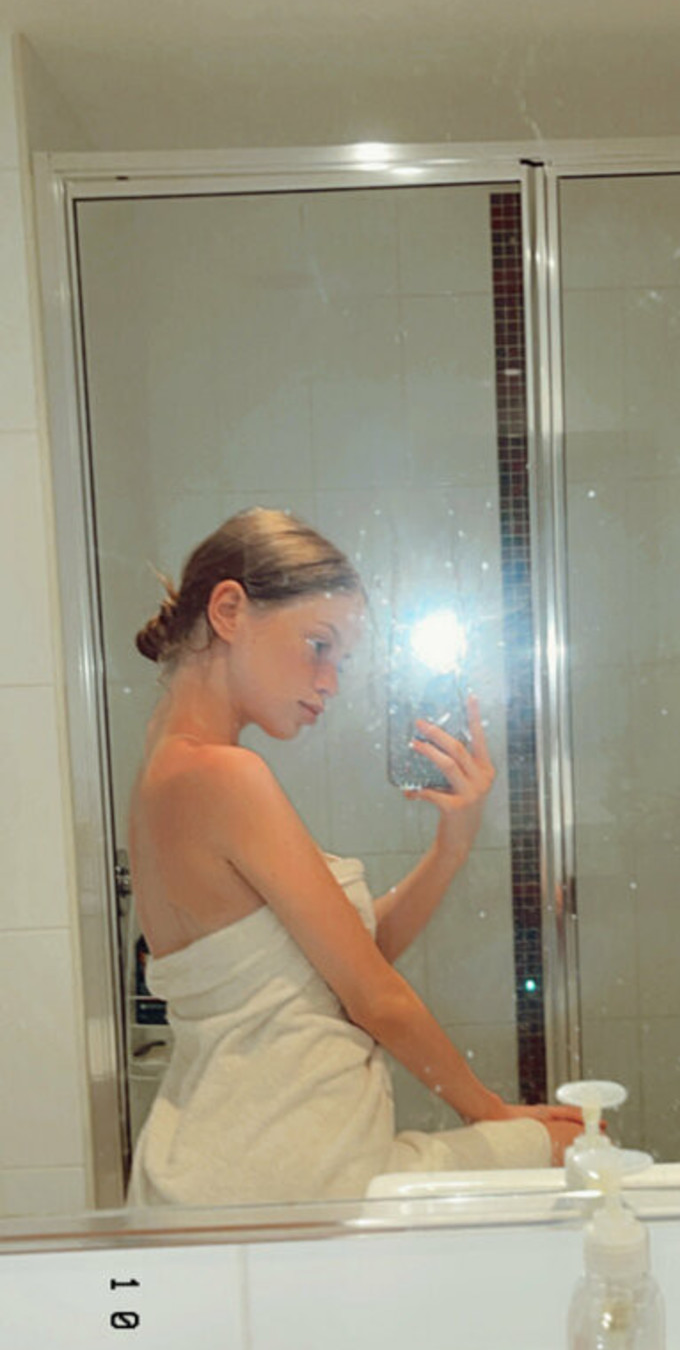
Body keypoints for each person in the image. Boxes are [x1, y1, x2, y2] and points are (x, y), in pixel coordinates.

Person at [125, 507, 583, 1206]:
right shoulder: (222, 776)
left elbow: (340, 968)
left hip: (237, 1166)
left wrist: (450, 848)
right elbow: (374, 997)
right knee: (572, 1143)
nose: (331, 682)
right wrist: (497, 1117)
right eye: (319, 645)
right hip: (293, 1175)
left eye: (341, 660)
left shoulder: (165, 772)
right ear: (228, 610)